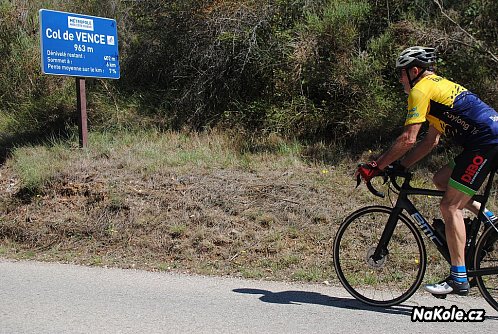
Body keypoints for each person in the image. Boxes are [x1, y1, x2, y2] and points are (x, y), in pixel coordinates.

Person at [356, 46, 498, 296]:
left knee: (450, 207)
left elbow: (408, 138)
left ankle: (459, 278)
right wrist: (401, 166)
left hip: (485, 142)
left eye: (401, 73)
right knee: (440, 179)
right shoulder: (436, 89)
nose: (400, 79)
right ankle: (489, 218)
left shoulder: (421, 90)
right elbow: (429, 141)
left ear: (414, 71)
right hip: (485, 140)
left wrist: (377, 166)